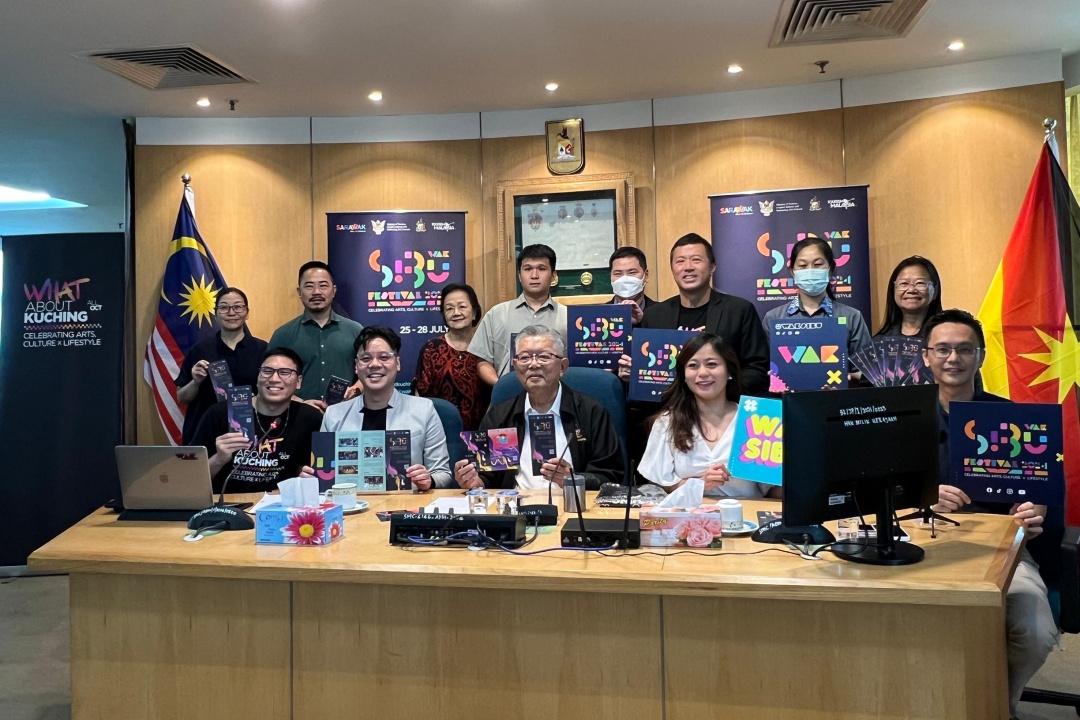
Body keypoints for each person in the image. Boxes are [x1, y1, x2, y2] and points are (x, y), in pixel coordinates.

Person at [923, 309, 1057, 717]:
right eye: (942, 349)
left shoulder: (1012, 418)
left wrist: (1035, 510)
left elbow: (1040, 492)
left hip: (1001, 549)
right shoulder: (900, 416)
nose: (953, 358)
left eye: (965, 349)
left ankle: (998, 704)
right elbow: (874, 492)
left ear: (980, 357)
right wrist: (921, 500)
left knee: (1036, 632)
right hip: (921, 544)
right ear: (926, 357)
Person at [454, 325, 623, 491]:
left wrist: (573, 480)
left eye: (543, 357)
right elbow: (488, 477)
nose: (533, 365)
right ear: (515, 365)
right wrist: (476, 481)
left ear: (562, 367)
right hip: (517, 510)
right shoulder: (500, 415)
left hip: (573, 509)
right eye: (525, 358)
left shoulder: (590, 412)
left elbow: (611, 475)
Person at [626, 233, 770, 395]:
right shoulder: (654, 316)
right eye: (680, 261)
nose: (688, 267)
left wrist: (714, 389)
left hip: (725, 409)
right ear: (672, 268)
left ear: (712, 267)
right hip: (670, 408)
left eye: (696, 260)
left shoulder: (739, 311)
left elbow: (757, 369)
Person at [640, 333, 780, 498]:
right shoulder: (667, 422)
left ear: (729, 371)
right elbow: (661, 485)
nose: (703, 373)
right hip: (688, 517)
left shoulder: (757, 419)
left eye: (712, 364)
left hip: (746, 518)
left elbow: (773, 491)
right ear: (684, 375)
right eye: (693, 366)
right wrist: (698, 484)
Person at [321, 327, 451, 491]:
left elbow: (443, 473)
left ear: (397, 363)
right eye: (366, 358)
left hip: (404, 508)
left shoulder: (424, 410)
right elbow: (324, 473)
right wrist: (313, 478)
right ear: (356, 366)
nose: (374, 364)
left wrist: (428, 480)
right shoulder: (334, 415)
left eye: (384, 357)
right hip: (349, 509)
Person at [191, 347, 323, 493]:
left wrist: (305, 478)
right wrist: (219, 458)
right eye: (267, 371)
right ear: (258, 377)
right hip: (227, 506)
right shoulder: (219, 413)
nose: (274, 379)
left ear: (298, 382)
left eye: (284, 372)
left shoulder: (309, 418)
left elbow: (307, 469)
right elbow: (189, 481)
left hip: (280, 505)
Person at [762, 237, 872, 374]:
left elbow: (867, 372)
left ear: (830, 268)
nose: (810, 271)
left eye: (818, 264)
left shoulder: (851, 317)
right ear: (792, 271)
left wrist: (848, 378)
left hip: (836, 395)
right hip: (788, 395)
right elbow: (764, 367)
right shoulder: (774, 318)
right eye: (802, 265)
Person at [175, 287, 268, 444]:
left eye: (238, 307)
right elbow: (182, 398)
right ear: (216, 313)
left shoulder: (263, 350)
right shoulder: (200, 350)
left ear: (247, 313)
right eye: (224, 307)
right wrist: (195, 382)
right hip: (205, 431)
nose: (231, 313)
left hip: (247, 434)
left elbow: (272, 393)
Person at [268, 261, 363, 408]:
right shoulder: (283, 335)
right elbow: (269, 380)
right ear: (299, 292)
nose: (316, 292)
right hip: (297, 415)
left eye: (323, 285)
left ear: (334, 290)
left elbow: (369, 371)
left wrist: (354, 390)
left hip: (345, 413)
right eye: (309, 286)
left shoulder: (355, 330)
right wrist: (302, 403)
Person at [468, 244, 568, 383]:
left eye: (541, 269)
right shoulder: (496, 314)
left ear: (553, 275)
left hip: (557, 398)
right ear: (519, 275)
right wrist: (503, 387)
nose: (534, 275)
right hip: (508, 399)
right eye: (528, 269)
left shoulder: (568, 317)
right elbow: (483, 362)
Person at [412, 283, 491, 430]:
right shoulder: (432, 348)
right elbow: (420, 395)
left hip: (481, 433)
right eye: (449, 308)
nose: (456, 312)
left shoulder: (486, 347)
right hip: (440, 433)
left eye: (462, 306)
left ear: (474, 312)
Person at [876, 255, 943, 338]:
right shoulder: (880, 342)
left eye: (920, 283)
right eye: (904, 283)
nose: (911, 290)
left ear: (935, 291)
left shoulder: (947, 336)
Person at [608, 246, 654, 326]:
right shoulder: (599, 315)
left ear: (646, 276)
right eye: (618, 273)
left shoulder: (663, 314)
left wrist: (644, 322)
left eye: (632, 272)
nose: (625, 279)